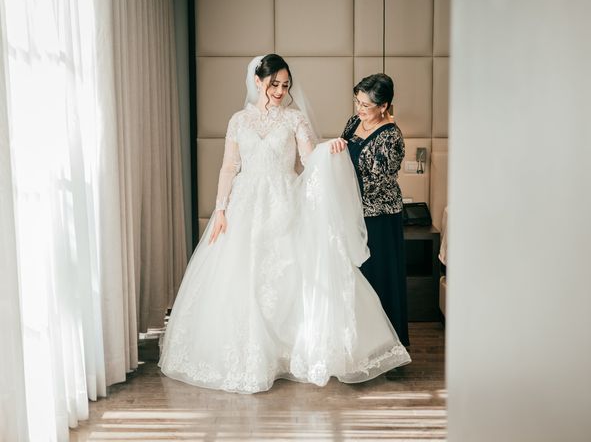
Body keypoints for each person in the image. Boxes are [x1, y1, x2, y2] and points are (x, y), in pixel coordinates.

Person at [159, 55, 410, 394]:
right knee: (242, 278)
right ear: (258, 81)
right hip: (245, 205)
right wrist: (220, 209)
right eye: (274, 84)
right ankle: (249, 355)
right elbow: (228, 168)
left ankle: (292, 353)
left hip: (285, 201)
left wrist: (332, 150)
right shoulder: (238, 121)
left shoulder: (295, 119)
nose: (280, 91)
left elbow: (310, 161)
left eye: (286, 85)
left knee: (287, 276)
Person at [330, 73, 409, 346]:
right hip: (353, 211)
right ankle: (359, 343)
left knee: (378, 279)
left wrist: (343, 198)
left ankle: (385, 345)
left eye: (366, 105)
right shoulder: (355, 123)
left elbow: (376, 185)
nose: (359, 110)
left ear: (384, 106)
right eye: (357, 102)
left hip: (379, 218)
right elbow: (341, 160)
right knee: (355, 281)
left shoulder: (391, 137)